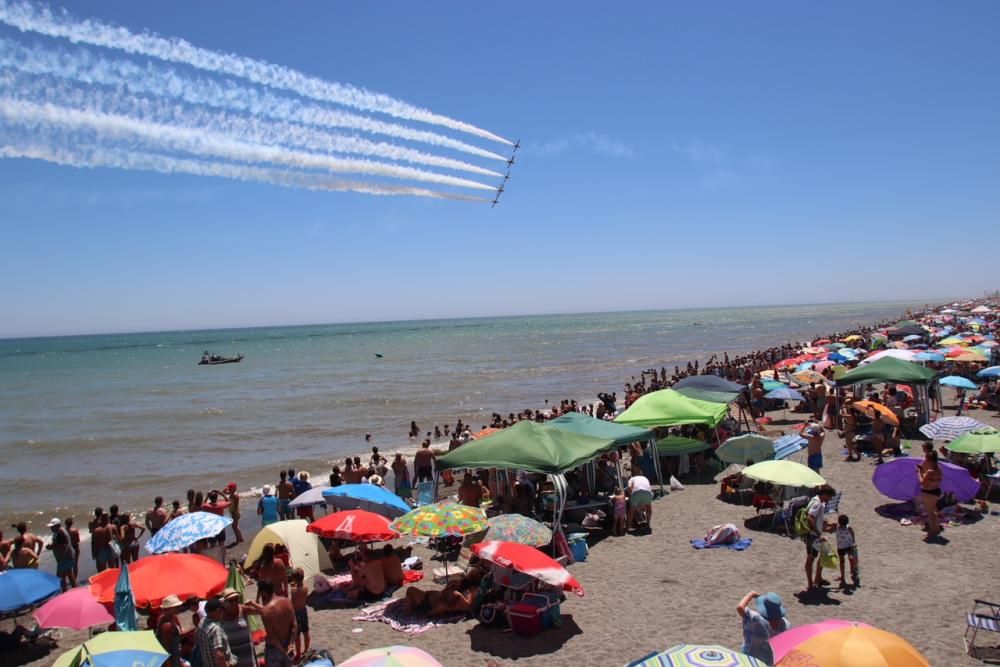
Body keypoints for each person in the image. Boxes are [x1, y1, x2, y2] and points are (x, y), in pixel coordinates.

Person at [244, 580, 296, 667]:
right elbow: (294, 624)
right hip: (288, 645)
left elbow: (272, 637)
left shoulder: (266, 611)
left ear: (263, 592)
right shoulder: (287, 602)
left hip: (275, 648)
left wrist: (283, 651)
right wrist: (291, 643)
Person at [737, 591, 791, 665]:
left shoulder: (756, 619)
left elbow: (740, 608)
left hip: (750, 659)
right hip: (769, 661)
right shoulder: (785, 624)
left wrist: (750, 595)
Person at [803, 485, 836, 589]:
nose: (830, 500)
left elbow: (815, 520)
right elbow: (810, 519)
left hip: (814, 535)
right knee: (811, 559)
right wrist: (819, 534)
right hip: (813, 536)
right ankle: (810, 583)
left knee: (824, 555)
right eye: (829, 497)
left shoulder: (816, 501)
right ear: (825, 495)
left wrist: (827, 528)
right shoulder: (817, 503)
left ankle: (818, 578)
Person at [219, 588, 256, 667]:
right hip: (233, 657)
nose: (234, 602)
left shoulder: (243, 609)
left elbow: (263, 611)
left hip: (248, 655)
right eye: (231, 601)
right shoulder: (220, 615)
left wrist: (253, 604)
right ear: (225, 602)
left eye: (236, 599)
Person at [197, 598, 237, 667]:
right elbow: (219, 655)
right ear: (218, 610)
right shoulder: (216, 629)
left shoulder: (202, 621)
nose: (223, 611)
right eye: (222, 608)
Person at [156, 594, 188, 667]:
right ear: (169, 608)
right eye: (177, 607)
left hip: (175, 656)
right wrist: (169, 665)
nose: (179, 608)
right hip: (171, 660)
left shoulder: (168, 618)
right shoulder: (167, 626)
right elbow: (166, 648)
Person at [45, 517, 76, 590]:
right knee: (69, 573)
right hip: (68, 556)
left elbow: (62, 546)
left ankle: (65, 592)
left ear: (57, 525)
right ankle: (74, 589)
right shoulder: (61, 531)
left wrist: (51, 547)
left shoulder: (60, 533)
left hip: (64, 558)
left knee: (60, 577)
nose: (51, 528)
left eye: (52, 526)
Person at [918, 450, 944, 538]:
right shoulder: (939, 469)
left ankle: (933, 531)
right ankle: (936, 529)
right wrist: (922, 471)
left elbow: (922, 483)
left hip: (928, 492)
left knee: (930, 513)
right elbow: (929, 479)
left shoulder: (930, 471)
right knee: (933, 511)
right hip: (936, 491)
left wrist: (918, 473)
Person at [289, 569, 310, 661]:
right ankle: (305, 650)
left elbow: (292, 603)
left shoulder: (293, 590)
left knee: (297, 635)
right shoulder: (306, 588)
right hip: (303, 611)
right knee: (306, 632)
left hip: (296, 613)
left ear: (296, 579)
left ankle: (298, 654)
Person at [835, 514, 859, 588]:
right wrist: (854, 541)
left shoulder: (837, 527)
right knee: (849, 558)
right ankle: (852, 568)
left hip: (843, 546)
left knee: (843, 561)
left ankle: (844, 575)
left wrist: (854, 542)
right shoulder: (848, 527)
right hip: (846, 545)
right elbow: (852, 533)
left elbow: (852, 533)